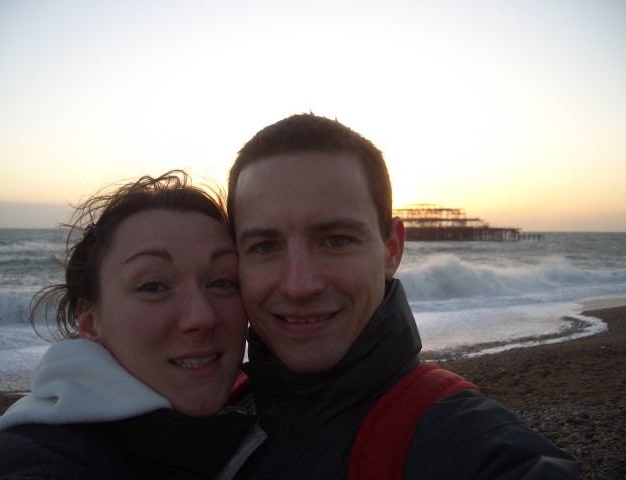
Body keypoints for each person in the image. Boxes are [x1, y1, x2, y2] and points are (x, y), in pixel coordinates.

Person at [226, 114, 578, 479]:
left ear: (391, 250)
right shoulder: (217, 409)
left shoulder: (469, 447)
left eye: (336, 241)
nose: (298, 286)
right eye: (265, 246)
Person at [0, 171, 264, 480]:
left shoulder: (252, 420)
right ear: (90, 321)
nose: (202, 317)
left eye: (223, 281)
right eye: (153, 286)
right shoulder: (42, 458)